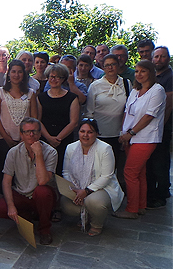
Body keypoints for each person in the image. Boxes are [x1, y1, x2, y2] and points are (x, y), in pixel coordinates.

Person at [0, 117, 58, 245]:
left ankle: (44, 230)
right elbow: (6, 181)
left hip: (40, 194)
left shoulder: (51, 152)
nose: (31, 135)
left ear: (40, 133)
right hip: (21, 193)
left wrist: (38, 154)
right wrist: (11, 206)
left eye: (34, 131)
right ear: (21, 135)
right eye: (27, 132)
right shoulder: (13, 152)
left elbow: (43, 180)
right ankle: (27, 216)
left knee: (42, 192)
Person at [114, 60, 166, 219]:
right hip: (130, 137)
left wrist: (131, 133)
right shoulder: (136, 90)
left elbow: (149, 116)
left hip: (145, 137)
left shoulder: (157, 90)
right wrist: (124, 133)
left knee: (129, 172)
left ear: (151, 72)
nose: (139, 74)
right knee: (139, 173)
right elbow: (127, 112)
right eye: (136, 71)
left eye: (143, 71)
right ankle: (140, 206)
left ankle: (131, 210)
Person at [61, 119, 124, 236]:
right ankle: (86, 216)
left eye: (90, 132)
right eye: (82, 131)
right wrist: (74, 189)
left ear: (97, 134)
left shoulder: (105, 149)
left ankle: (97, 224)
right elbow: (66, 171)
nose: (85, 135)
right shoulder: (71, 147)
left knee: (94, 202)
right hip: (78, 187)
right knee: (66, 204)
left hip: (102, 188)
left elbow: (107, 176)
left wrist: (86, 191)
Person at [85, 54, 129, 189]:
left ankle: (114, 195)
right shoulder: (95, 85)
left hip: (119, 134)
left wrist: (125, 132)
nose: (110, 67)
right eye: (107, 65)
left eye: (113, 64)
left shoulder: (126, 83)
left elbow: (130, 109)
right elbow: (89, 111)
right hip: (100, 133)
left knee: (115, 168)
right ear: (103, 67)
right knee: (99, 167)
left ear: (118, 65)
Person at [0, 60, 37, 193]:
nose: (16, 75)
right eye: (13, 71)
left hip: (25, 140)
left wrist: (26, 138)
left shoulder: (31, 93)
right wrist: (6, 137)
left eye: (19, 72)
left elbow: (34, 119)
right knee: (4, 172)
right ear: (8, 73)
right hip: (3, 139)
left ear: (24, 74)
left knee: (22, 172)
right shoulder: (0, 92)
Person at [38, 63, 79, 175]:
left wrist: (58, 139)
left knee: (63, 170)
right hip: (45, 139)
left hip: (64, 140)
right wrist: (49, 138)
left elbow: (74, 122)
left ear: (63, 79)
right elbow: (38, 120)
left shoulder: (72, 98)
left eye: (57, 77)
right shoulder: (41, 97)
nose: (54, 79)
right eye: (51, 76)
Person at [146, 46, 173, 208]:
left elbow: (168, 105)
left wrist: (160, 128)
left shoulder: (170, 77)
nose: (159, 59)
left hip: (162, 127)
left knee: (160, 162)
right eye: (156, 57)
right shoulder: (153, 76)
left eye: (162, 57)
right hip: (151, 128)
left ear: (168, 58)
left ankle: (161, 194)